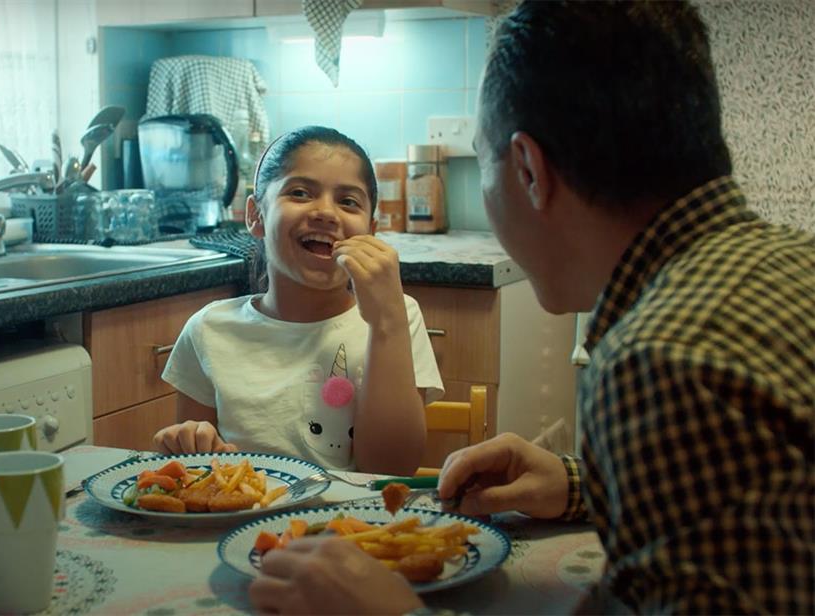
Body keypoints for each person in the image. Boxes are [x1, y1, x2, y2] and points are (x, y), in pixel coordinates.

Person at [248, 2, 814, 614]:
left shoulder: (659, 360)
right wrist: (580, 483)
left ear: (528, 170)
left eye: (482, 162)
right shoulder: (791, 261)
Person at [153, 125, 444, 474]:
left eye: (348, 201)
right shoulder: (208, 330)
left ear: (371, 230)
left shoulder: (399, 317)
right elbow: (197, 471)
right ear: (255, 215)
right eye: (301, 193)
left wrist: (387, 323)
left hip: (356, 524)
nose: (326, 212)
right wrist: (190, 443)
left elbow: (392, 470)